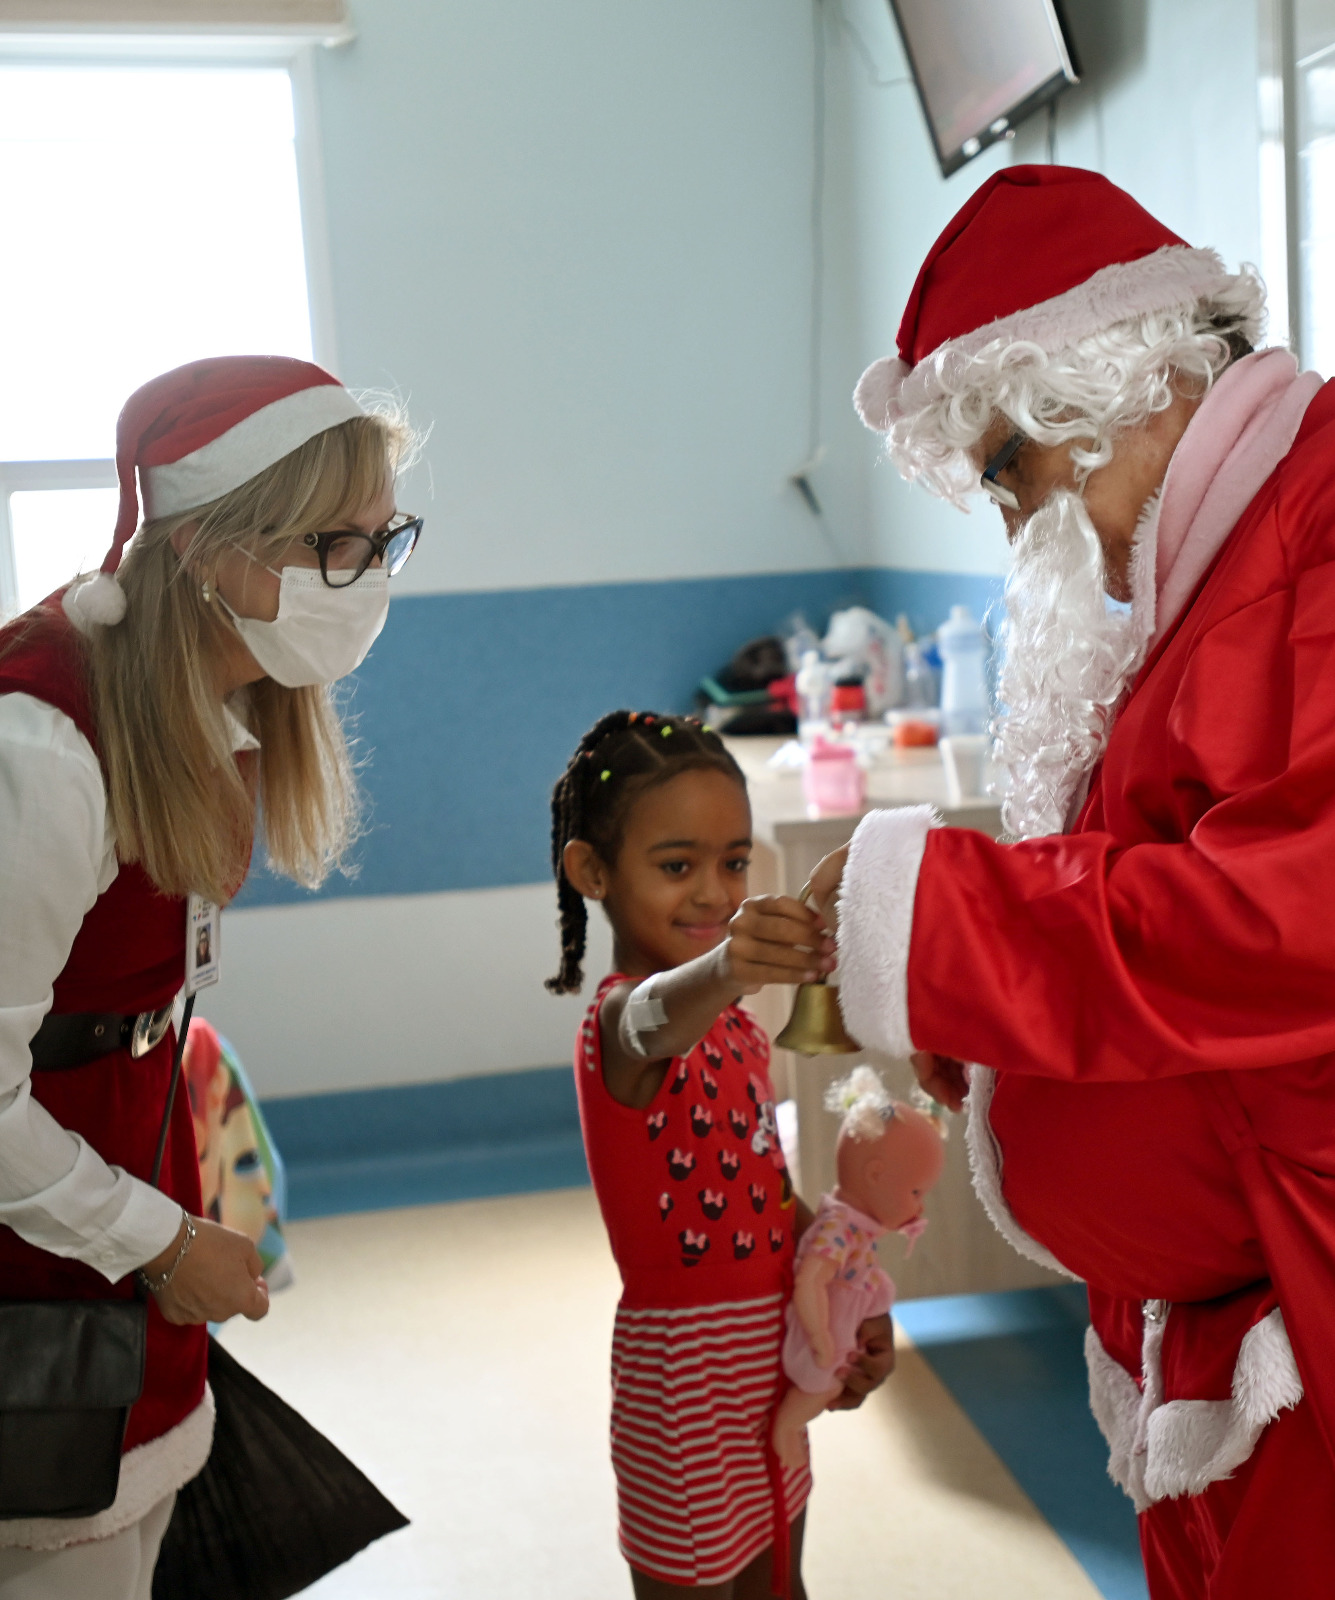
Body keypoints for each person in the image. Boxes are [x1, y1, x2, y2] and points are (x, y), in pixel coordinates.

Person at [807, 163, 1335, 1598]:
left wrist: (930, 931)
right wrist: (973, 1012)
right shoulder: (1222, 555)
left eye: (1004, 475)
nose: (1008, 529)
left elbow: (1287, 914)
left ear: (1114, 385)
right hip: (1218, 1332)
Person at [0, 355, 418, 1596]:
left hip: (120, 1218)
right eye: (335, 546)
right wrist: (159, 1240)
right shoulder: (43, 743)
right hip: (44, 1268)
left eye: (383, 539)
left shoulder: (208, 702)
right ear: (203, 549)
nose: (368, 580)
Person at [546, 710, 895, 1600]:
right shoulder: (621, 1027)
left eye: (732, 863)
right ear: (591, 871)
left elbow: (769, 1191)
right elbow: (658, 1011)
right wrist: (731, 967)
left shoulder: (738, 1030)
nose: (710, 892)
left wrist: (852, 1299)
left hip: (770, 1366)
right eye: (676, 866)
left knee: (781, 1580)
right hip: (685, 1390)